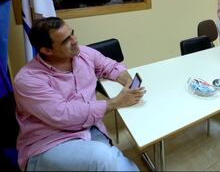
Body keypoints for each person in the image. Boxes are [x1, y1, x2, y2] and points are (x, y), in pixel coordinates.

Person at [13, 17, 146, 171]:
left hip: (89, 129)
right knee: (105, 159)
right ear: (46, 50)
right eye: (65, 40)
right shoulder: (28, 80)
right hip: (50, 143)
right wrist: (116, 102)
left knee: (110, 161)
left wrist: (127, 80)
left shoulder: (83, 53)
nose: (74, 41)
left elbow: (109, 66)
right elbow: (65, 115)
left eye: (72, 33)